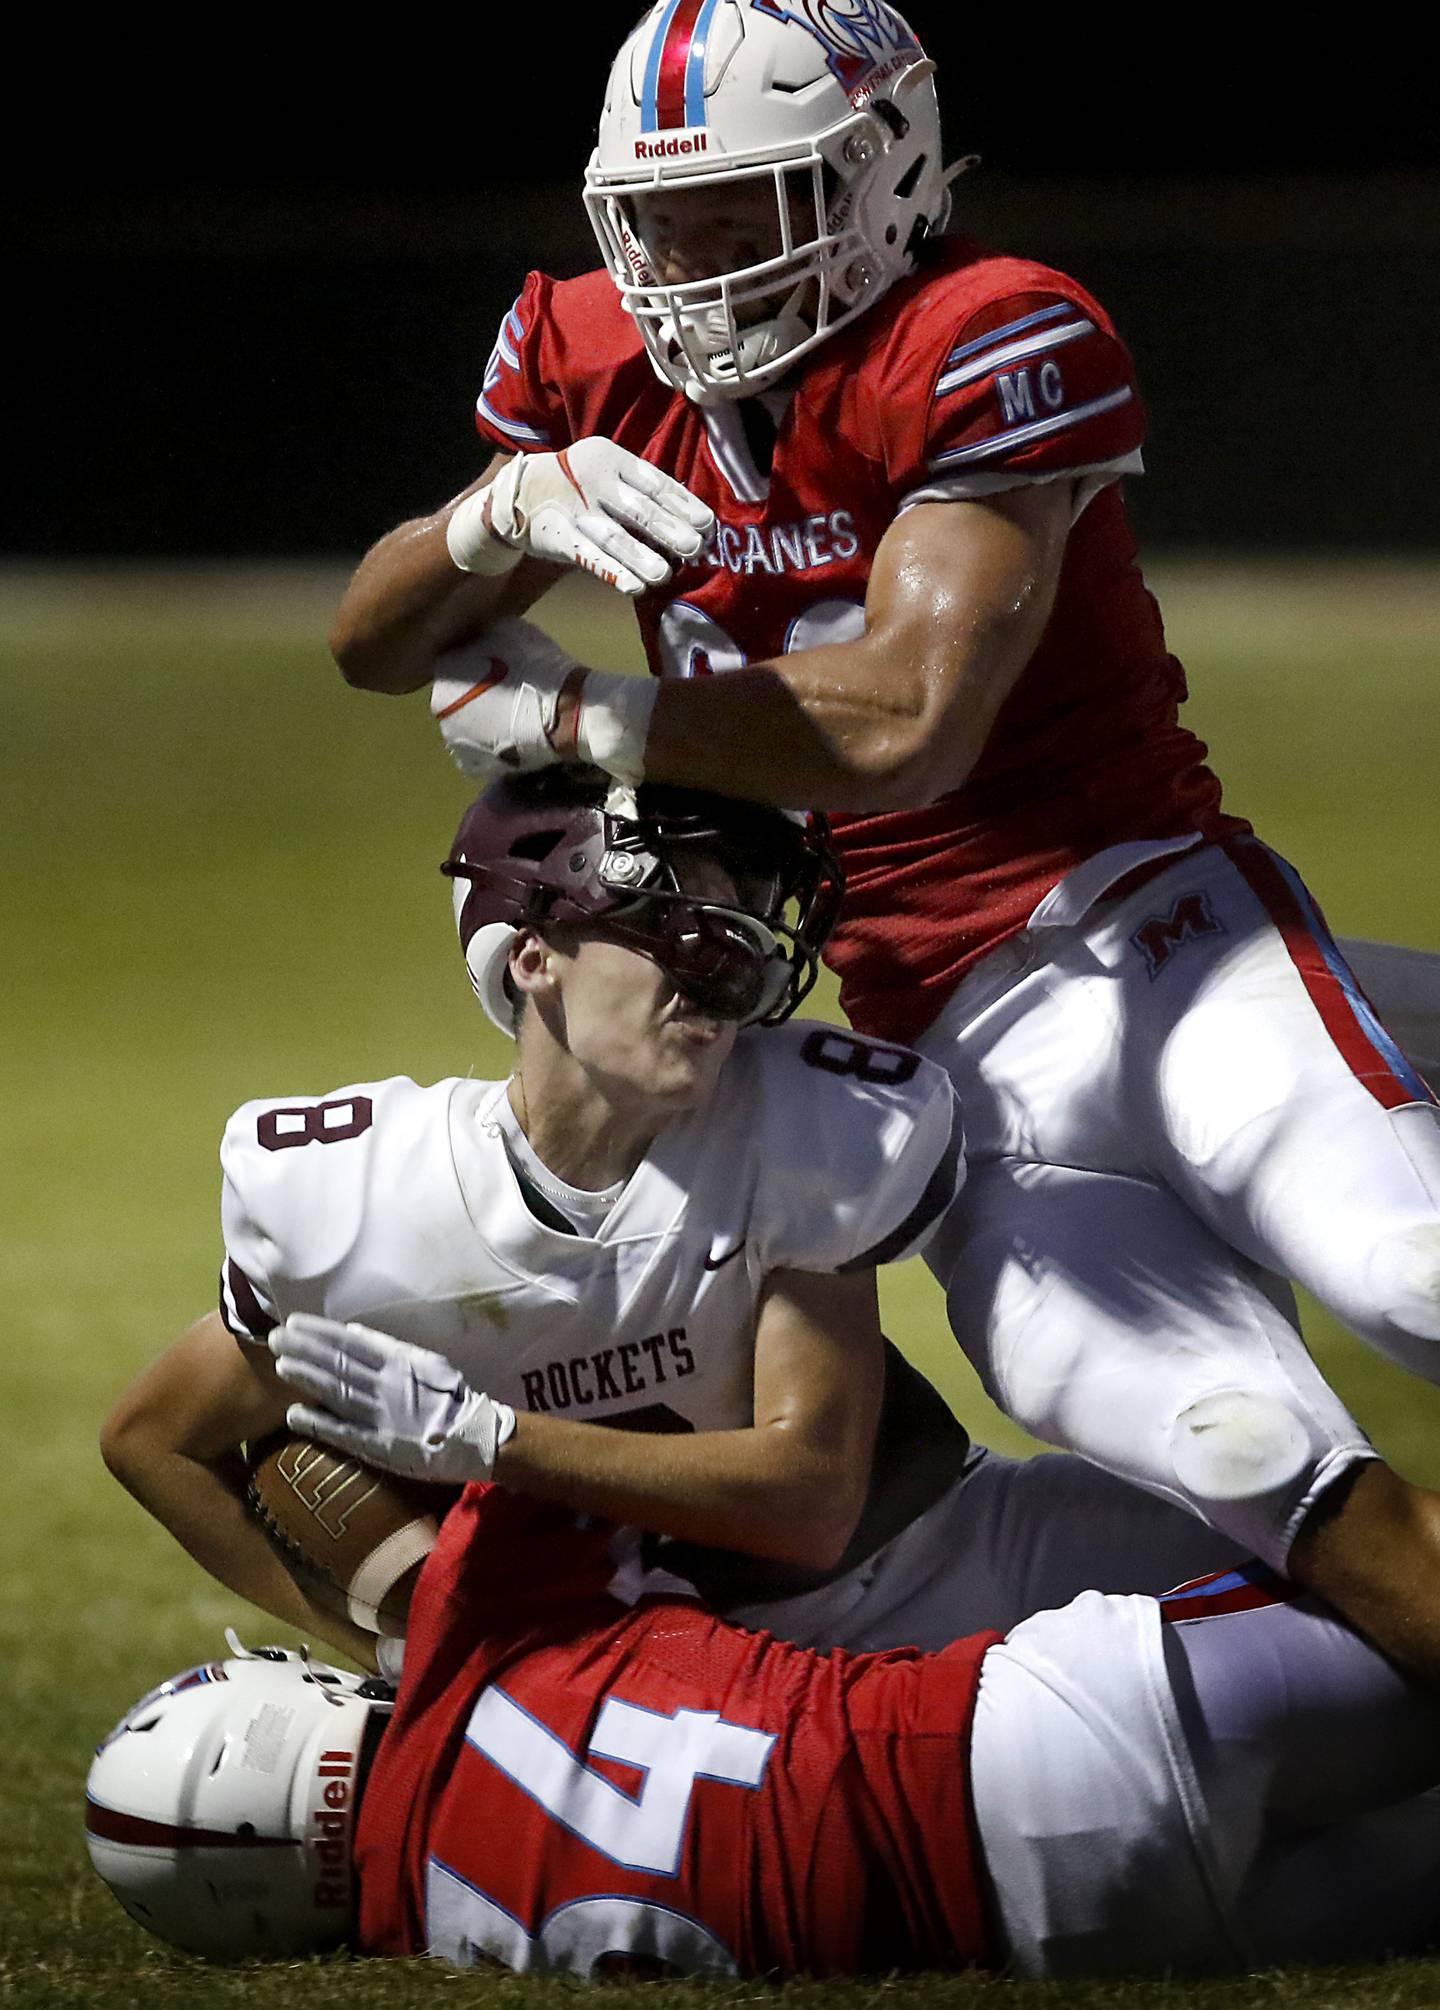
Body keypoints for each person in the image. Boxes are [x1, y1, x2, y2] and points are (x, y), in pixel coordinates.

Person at [325, 0, 1440, 1677]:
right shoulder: (581, 349)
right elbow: (375, 646)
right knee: (1246, 1456)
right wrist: (488, 514)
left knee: (1410, 1273)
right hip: (937, 1049)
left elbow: (917, 718)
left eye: (741, 209)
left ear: (884, 177)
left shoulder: (988, 331)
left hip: (1151, 939)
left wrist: (583, 722)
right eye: (658, 216)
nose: (689, 260)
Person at [100, 766, 1241, 1674]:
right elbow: (158, 1440)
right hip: (659, 1682)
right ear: (533, 950)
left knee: (1313, 1567)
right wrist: (388, 1654)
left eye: (745, 926)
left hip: (934, 1565)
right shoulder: (360, 1201)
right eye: (678, 922)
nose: (727, 964)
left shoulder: (799, 1127)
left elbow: (809, 1498)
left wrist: (489, 1439)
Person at [86, 1481, 1440, 1979]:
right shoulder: (486, 1645)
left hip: (1081, 1934)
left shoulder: (454, 1933)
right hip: (1061, 1727)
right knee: (1409, 1559)